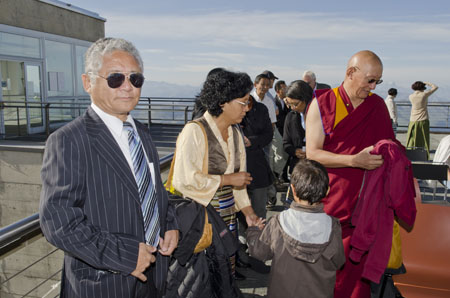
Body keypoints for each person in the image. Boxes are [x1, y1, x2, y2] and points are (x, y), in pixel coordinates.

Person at [39, 37, 179, 297]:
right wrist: (125, 256)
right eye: (116, 78)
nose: (128, 87)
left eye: (135, 79)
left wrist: (169, 223)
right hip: (104, 283)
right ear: (88, 82)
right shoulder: (69, 140)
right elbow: (57, 221)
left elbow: (154, 191)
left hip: (154, 278)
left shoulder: (143, 135)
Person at [306, 50, 395, 297]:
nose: (373, 86)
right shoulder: (322, 103)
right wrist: (354, 161)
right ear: (350, 73)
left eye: (378, 81)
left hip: (367, 204)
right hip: (332, 202)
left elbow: (389, 147)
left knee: (358, 280)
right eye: (370, 80)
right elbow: (312, 153)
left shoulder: (376, 106)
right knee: (327, 273)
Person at [171, 69, 259, 286]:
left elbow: (241, 181)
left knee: (225, 267)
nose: (247, 109)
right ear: (223, 102)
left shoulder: (236, 133)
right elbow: (184, 179)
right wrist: (227, 180)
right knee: (202, 272)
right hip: (200, 218)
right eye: (243, 102)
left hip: (228, 215)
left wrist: (248, 213)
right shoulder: (194, 131)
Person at [246, 159, 345, 298]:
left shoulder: (278, 222)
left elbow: (259, 252)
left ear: (293, 189)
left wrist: (253, 231)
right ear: (327, 191)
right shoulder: (332, 226)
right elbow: (339, 261)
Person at [241, 95, 274, 219]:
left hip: (257, 165)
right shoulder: (229, 109)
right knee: (239, 212)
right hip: (236, 169)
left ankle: (260, 236)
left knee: (259, 210)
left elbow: (268, 134)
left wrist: (251, 141)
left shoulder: (261, 109)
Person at [283, 80, 313, 175]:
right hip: (297, 168)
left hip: (317, 167)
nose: (293, 108)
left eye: (295, 104)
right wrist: (295, 151)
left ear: (306, 99)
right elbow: (286, 143)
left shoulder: (321, 117)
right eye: (289, 104)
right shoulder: (290, 117)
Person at [406, 81, 438, 157]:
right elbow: (435, 87)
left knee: (412, 138)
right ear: (422, 88)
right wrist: (427, 83)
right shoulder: (424, 95)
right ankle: (424, 155)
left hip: (413, 120)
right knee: (424, 138)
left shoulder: (410, 96)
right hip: (423, 119)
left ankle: (410, 153)